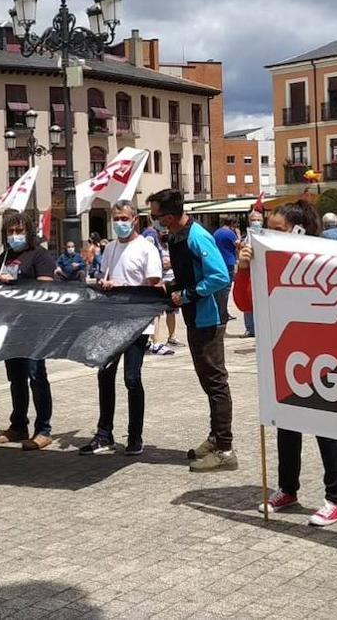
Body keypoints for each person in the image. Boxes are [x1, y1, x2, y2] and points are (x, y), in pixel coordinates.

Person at [232, 199, 337, 526]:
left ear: (298, 231)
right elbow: (245, 303)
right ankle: (287, 488)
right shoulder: (262, 260)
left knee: (327, 427)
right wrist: (243, 271)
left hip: (321, 356)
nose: (267, 233)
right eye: (267, 226)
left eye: (277, 228)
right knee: (286, 422)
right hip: (284, 355)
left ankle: (335, 499)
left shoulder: (323, 258)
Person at [147, 188, 235, 472]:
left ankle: (225, 449)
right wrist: (172, 286)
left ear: (170, 216)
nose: (155, 221)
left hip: (208, 318)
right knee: (209, 383)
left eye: (157, 216)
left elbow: (220, 276)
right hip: (195, 318)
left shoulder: (197, 236)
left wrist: (185, 295)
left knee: (216, 383)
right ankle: (215, 437)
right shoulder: (176, 235)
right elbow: (189, 273)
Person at [81, 200, 162, 456]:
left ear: (135, 219)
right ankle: (104, 434)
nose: (120, 223)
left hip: (136, 324)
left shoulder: (146, 248)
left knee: (132, 378)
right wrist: (104, 283)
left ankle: (135, 436)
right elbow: (104, 276)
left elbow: (153, 287)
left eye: (124, 218)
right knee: (104, 375)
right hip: (111, 322)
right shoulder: (110, 248)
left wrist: (124, 289)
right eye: (116, 219)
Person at [0, 212, 58, 450]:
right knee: (15, 377)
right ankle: (18, 425)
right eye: (10, 232)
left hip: (34, 325)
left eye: (19, 231)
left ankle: (44, 429)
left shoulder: (39, 254)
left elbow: (46, 286)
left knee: (36, 376)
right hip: (10, 326)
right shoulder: (4, 256)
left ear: (28, 232)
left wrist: (14, 284)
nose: (14, 236)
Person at [242, 209, 265, 338]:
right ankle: (250, 328)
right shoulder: (246, 238)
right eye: (253, 220)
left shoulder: (266, 236)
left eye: (258, 220)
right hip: (249, 273)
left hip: (263, 274)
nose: (256, 222)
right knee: (247, 300)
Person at [213, 215, 240, 324]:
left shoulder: (216, 233)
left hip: (218, 262)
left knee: (219, 289)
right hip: (228, 263)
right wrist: (238, 234)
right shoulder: (230, 233)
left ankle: (222, 312)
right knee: (226, 290)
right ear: (233, 223)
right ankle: (222, 313)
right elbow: (239, 245)